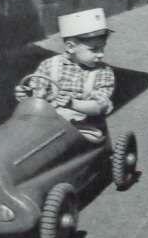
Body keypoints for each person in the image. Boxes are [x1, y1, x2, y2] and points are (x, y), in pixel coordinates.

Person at [16, 8, 115, 141]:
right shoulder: (49, 66)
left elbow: (100, 106)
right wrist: (26, 96)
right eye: (94, 49)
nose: (101, 54)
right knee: (22, 135)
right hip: (48, 124)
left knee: (73, 143)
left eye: (102, 48)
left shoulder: (103, 72)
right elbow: (38, 98)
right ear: (70, 47)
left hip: (85, 127)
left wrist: (72, 103)